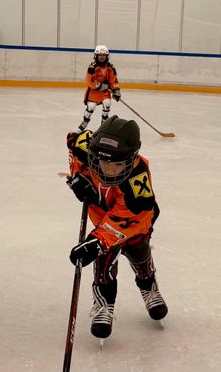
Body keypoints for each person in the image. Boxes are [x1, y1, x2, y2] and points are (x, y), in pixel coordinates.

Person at [65, 116, 167, 339]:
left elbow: (132, 214)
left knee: (139, 251)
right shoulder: (86, 147)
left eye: (118, 164)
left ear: (131, 159)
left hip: (135, 222)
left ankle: (149, 286)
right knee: (104, 264)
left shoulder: (138, 178)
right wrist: (78, 179)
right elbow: (72, 143)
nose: (110, 170)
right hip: (102, 217)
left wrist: (98, 240)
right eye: (104, 163)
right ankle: (103, 305)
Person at [78, 45, 121, 132]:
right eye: (100, 55)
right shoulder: (92, 67)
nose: (102, 57)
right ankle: (85, 122)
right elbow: (89, 80)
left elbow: (113, 80)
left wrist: (116, 90)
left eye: (103, 55)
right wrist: (99, 85)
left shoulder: (110, 67)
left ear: (107, 56)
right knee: (91, 107)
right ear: (96, 56)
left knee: (107, 103)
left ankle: (104, 124)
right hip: (94, 92)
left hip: (105, 92)